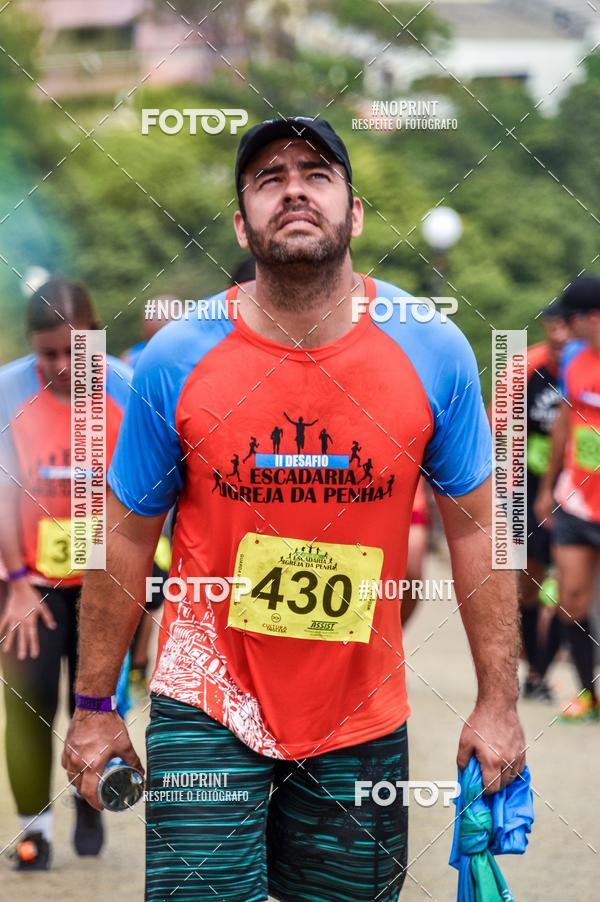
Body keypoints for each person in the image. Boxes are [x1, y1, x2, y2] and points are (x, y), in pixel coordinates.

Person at [63, 117, 525, 901]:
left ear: (355, 212)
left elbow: (482, 529)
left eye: (316, 174)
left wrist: (500, 703)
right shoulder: (178, 355)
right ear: (242, 224)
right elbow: (125, 536)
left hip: (360, 712)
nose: (294, 191)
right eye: (269, 179)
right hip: (207, 695)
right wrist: (93, 706)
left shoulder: (432, 348)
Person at [0, 278, 132, 870]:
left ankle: (89, 800)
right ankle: (35, 833)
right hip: (29, 580)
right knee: (28, 703)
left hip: (104, 580)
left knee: (94, 701)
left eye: (73, 352)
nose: (60, 366)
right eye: (46, 354)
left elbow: (144, 498)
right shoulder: (7, 392)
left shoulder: (127, 389)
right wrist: (16, 581)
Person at [535, 276, 600, 721]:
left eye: (569, 318)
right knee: (571, 601)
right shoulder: (575, 358)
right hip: (576, 500)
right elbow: (564, 422)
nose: (562, 328)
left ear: (590, 318)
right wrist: (547, 487)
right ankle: (589, 695)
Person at [519, 301, 570, 700]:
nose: (557, 334)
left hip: (578, 492)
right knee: (530, 583)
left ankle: (540, 670)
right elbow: (498, 427)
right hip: (528, 488)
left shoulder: (588, 369)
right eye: (550, 326)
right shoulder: (526, 367)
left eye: (564, 326)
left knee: (569, 588)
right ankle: (534, 670)